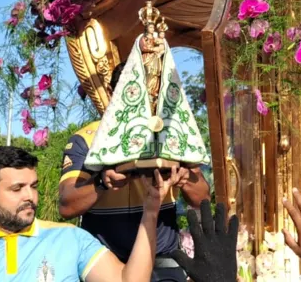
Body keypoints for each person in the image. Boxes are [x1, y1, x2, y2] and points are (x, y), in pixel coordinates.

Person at [0, 145, 174, 282]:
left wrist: (150, 211)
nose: (30, 196)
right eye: (17, 188)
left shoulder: (69, 238)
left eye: (33, 186)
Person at [59, 63, 211, 282]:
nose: (142, 105)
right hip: (105, 267)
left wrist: (184, 177)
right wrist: (102, 182)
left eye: (150, 97)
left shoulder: (174, 135)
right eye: (132, 94)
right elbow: (66, 204)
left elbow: (203, 197)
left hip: (164, 262)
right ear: (111, 94)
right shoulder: (86, 139)